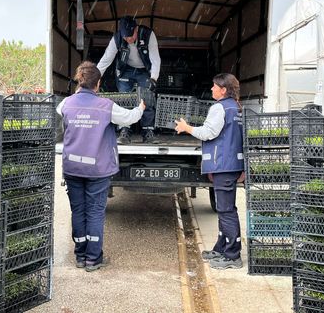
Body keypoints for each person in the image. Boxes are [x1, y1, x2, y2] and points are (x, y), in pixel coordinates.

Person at [57, 61, 145, 271]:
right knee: (95, 212)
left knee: (78, 211)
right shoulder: (106, 106)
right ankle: (93, 259)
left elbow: (64, 119)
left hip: (73, 168)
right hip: (97, 169)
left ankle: (80, 255)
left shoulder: (65, 104)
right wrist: (141, 107)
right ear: (98, 84)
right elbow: (130, 118)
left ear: (79, 82)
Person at [174, 73, 244, 269]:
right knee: (225, 208)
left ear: (223, 90)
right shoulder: (236, 108)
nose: (212, 89)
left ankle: (232, 255)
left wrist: (186, 128)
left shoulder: (219, 107)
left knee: (226, 210)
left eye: (214, 86)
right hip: (231, 164)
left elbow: (208, 132)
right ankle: (221, 248)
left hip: (223, 164)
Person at [96, 15, 161, 144]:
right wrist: (94, 77)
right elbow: (106, 59)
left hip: (144, 70)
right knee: (125, 98)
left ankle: (147, 131)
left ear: (136, 29)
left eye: (131, 36)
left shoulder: (148, 35)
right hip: (125, 70)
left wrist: (154, 78)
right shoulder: (117, 38)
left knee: (146, 98)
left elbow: (155, 58)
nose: (128, 39)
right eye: (126, 37)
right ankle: (124, 130)